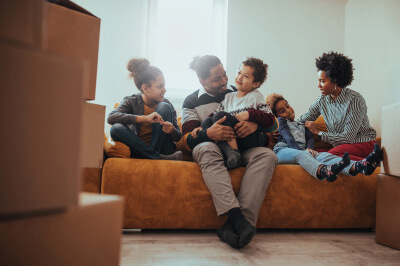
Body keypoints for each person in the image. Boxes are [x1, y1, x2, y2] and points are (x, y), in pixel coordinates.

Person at [181, 55, 277, 249]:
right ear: (203, 81)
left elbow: (272, 123)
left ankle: (237, 225)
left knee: (267, 156)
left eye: (224, 75)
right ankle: (237, 218)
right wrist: (208, 132)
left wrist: (253, 123)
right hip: (212, 146)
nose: (225, 81)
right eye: (217, 79)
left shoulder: (239, 90)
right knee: (206, 148)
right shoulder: (191, 102)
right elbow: (187, 140)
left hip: (243, 145)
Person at [266, 93, 383, 182]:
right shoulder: (281, 122)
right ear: (276, 116)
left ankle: (359, 166)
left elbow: (310, 139)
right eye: (282, 111)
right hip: (283, 151)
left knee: (323, 155)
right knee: (302, 154)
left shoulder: (302, 122)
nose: (287, 111)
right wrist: (304, 152)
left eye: (287, 106)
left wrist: (310, 150)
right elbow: (289, 138)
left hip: (302, 153)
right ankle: (324, 171)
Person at [191, 57, 276, 169]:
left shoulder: (255, 96)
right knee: (208, 120)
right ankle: (230, 152)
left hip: (249, 137)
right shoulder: (229, 97)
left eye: (246, 76)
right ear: (202, 81)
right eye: (239, 73)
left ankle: (234, 152)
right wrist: (202, 128)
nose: (239, 77)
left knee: (221, 116)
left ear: (255, 83)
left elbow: (270, 119)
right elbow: (214, 115)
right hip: (234, 137)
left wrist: (250, 115)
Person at [300, 51, 378, 161]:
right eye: (318, 81)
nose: (318, 86)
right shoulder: (322, 100)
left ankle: (370, 159)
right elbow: (303, 120)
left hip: (363, 144)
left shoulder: (355, 99)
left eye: (322, 81)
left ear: (335, 80)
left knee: (324, 157)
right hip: (341, 148)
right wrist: (282, 127)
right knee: (308, 155)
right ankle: (364, 162)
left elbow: (348, 138)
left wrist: (318, 132)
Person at [107, 58, 182, 160]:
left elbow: (178, 137)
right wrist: (145, 118)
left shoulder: (166, 103)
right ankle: (155, 157)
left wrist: (172, 130)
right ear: (145, 88)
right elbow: (111, 117)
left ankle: (153, 155)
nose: (164, 90)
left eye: (164, 85)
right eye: (160, 86)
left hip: (163, 150)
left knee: (164, 106)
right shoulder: (131, 101)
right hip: (140, 150)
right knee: (116, 128)